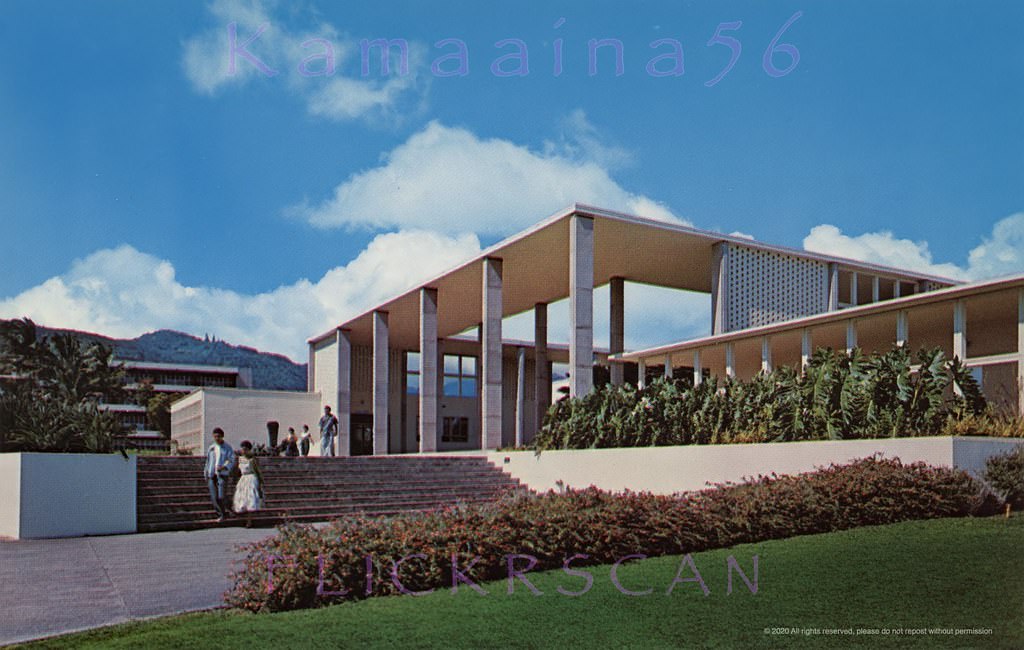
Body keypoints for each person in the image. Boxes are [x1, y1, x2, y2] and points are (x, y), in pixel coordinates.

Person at [203, 427, 235, 522]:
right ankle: (221, 514)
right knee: (214, 497)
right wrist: (206, 473)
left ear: (222, 436)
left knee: (221, 496)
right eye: (215, 436)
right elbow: (208, 461)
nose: (217, 438)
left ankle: (230, 507)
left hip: (222, 474)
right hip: (212, 475)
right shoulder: (211, 448)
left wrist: (224, 467)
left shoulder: (227, 448)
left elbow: (231, 460)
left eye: (219, 436)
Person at [233, 440, 264, 528]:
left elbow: (257, 471)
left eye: (246, 449)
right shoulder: (240, 459)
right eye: (243, 449)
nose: (244, 451)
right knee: (242, 498)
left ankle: (249, 520)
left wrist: (260, 482)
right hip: (243, 478)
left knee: (250, 498)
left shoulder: (252, 459)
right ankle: (243, 517)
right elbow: (237, 471)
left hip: (251, 478)